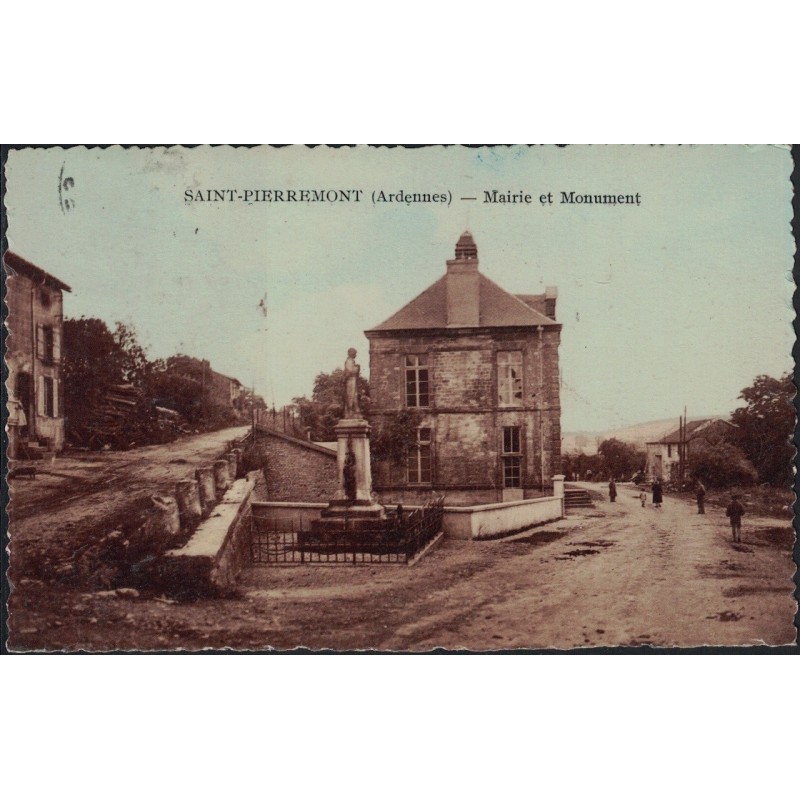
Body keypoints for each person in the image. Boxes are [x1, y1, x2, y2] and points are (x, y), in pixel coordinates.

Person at [343, 347, 361, 418]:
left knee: (354, 396)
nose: (355, 355)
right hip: (350, 380)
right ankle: (350, 412)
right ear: (351, 353)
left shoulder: (351, 361)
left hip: (353, 380)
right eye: (355, 353)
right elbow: (350, 372)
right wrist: (357, 368)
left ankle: (353, 412)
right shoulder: (349, 361)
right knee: (351, 396)